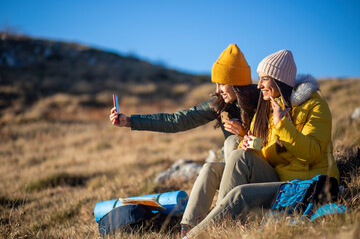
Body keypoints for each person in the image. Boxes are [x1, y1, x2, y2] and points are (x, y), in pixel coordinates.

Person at [183, 49, 339, 238]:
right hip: (276, 178)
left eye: (264, 79)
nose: (259, 86)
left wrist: (282, 124)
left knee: (239, 194)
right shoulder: (270, 105)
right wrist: (251, 143)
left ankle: (204, 233)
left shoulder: (314, 106)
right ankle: (187, 227)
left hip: (301, 185)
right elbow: (272, 150)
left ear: (279, 79)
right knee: (212, 168)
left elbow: (312, 152)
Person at [109, 43, 260, 232]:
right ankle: (188, 228)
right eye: (216, 83)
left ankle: (222, 219)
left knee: (231, 142)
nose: (218, 89)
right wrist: (130, 121)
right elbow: (177, 121)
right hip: (232, 176)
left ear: (236, 82)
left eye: (222, 83)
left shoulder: (263, 101)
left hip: (259, 174)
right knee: (209, 168)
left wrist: (244, 134)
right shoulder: (221, 104)